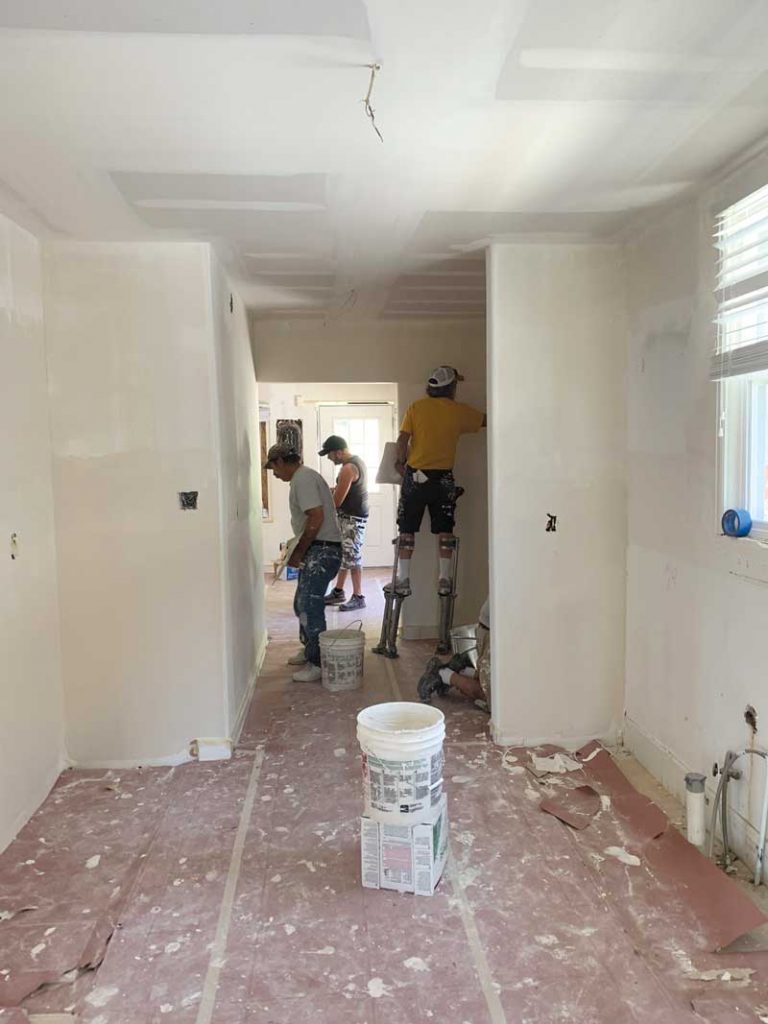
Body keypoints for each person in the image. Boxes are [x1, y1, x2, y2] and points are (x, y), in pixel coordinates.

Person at [393, 366, 486, 596]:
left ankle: (403, 579)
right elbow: (485, 420)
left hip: (415, 476)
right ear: (452, 387)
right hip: (443, 479)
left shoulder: (416, 408)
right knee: (445, 528)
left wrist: (400, 462)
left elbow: (403, 438)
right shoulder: (457, 411)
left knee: (406, 529)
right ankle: (444, 578)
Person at [264, 442, 342, 683]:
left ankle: (318, 662)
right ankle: (310, 648)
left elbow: (316, 517)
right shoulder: (303, 478)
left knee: (309, 604)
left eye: (274, 469)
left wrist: (300, 551)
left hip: (323, 549)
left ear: (280, 462)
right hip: (320, 549)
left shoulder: (303, 479)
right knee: (302, 603)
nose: (274, 474)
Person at [319, 435, 369, 612]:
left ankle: (358, 596)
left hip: (352, 520)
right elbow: (345, 492)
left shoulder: (348, 468)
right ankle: (338, 592)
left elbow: (337, 501)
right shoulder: (356, 463)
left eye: (330, 454)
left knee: (352, 557)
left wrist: (322, 501)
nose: (329, 458)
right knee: (345, 556)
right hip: (351, 518)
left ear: (339, 452)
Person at [418, 597, 491, 710]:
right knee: (493, 698)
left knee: (497, 687)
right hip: (492, 632)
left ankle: (462, 669)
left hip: (496, 629)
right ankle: (441, 673)